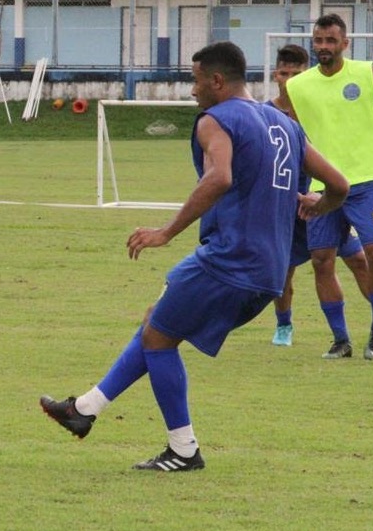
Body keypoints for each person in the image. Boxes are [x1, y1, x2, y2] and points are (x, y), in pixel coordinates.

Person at [40, 41, 348, 471]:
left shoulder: (216, 119)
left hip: (230, 262)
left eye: (195, 80)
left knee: (159, 339)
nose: (192, 90)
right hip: (269, 271)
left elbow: (219, 177)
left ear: (217, 81)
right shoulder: (284, 125)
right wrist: (317, 205)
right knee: (157, 320)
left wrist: (166, 232)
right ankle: (84, 410)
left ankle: (183, 450)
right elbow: (339, 185)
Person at [287, 14, 373, 360]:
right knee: (321, 261)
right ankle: (340, 340)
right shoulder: (299, 86)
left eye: (331, 41)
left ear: (345, 44)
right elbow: (290, 136)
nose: (323, 47)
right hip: (324, 188)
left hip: (365, 183)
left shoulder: (366, 73)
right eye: (318, 40)